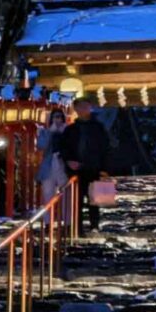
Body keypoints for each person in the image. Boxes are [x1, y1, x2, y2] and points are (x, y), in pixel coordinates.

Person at [60, 96, 111, 231]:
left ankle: (95, 225)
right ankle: (78, 227)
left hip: (95, 167)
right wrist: (68, 161)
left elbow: (106, 148)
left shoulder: (99, 128)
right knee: (77, 200)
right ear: (75, 109)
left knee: (94, 200)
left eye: (86, 106)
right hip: (76, 169)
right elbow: (64, 148)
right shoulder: (70, 130)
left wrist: (105, 168)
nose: (83, 109)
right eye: (80, 106)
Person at [36, 109, 68, 201]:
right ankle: (48, 215)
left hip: (63, 164)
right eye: (55, 117)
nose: (58, 120)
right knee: (48, 194)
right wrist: (50, 132)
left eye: (60, 117)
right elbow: (41, 146)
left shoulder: (68, 131)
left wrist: (64, 132)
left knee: (66, 193)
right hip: (49, 164)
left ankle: (65, 215)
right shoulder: (45, 132)